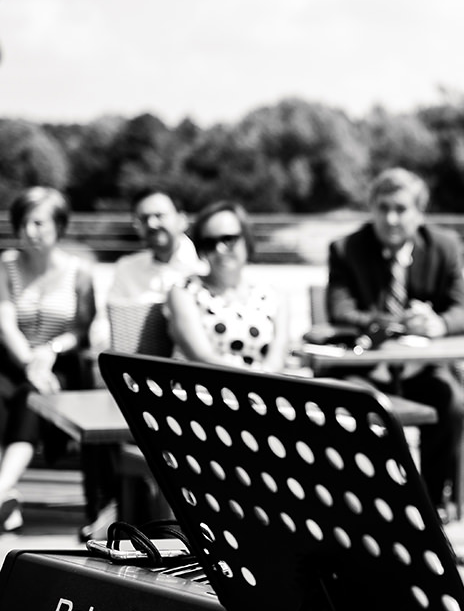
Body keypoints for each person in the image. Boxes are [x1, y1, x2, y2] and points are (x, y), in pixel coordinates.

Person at [326, 168, 464, 521]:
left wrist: (437, 323)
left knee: (452, 401)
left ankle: (431, 503)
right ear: (372, 209)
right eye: (383, 208)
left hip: (421, 369)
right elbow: (340, 310)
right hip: (366, 369)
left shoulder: (444, 246)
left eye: (401, 209)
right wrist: (396, 323)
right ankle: (369, 503)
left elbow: (463, 312)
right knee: (349, 405)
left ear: (419, 212)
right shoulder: (346, 248)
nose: (391, 218)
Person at [0, 187, 100, 532]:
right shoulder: (6, 264)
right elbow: (5, 324)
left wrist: (49, 352)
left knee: (33, 397)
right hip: (13, 360)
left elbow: (82, 329)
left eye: (38, 223)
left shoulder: (79, 271)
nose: (29, 232)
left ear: (59, 226)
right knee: (25, 390)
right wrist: (30, 360)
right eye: (23, 223)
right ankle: (5, 495)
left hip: (61, 365)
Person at [167, 201, 290, 371]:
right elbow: (200, 356)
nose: (219, 249)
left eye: (229, 239)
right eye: (209, 243)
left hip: (261, 393)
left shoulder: (275, 297)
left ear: (247, 239)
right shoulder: (184, 291)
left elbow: (277, 360)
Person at [106, 188, 207, 355]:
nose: (152, 224)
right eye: (144, 219)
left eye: (159, 216)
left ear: (182, 220)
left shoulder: (204, 270)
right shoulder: (126, 268)